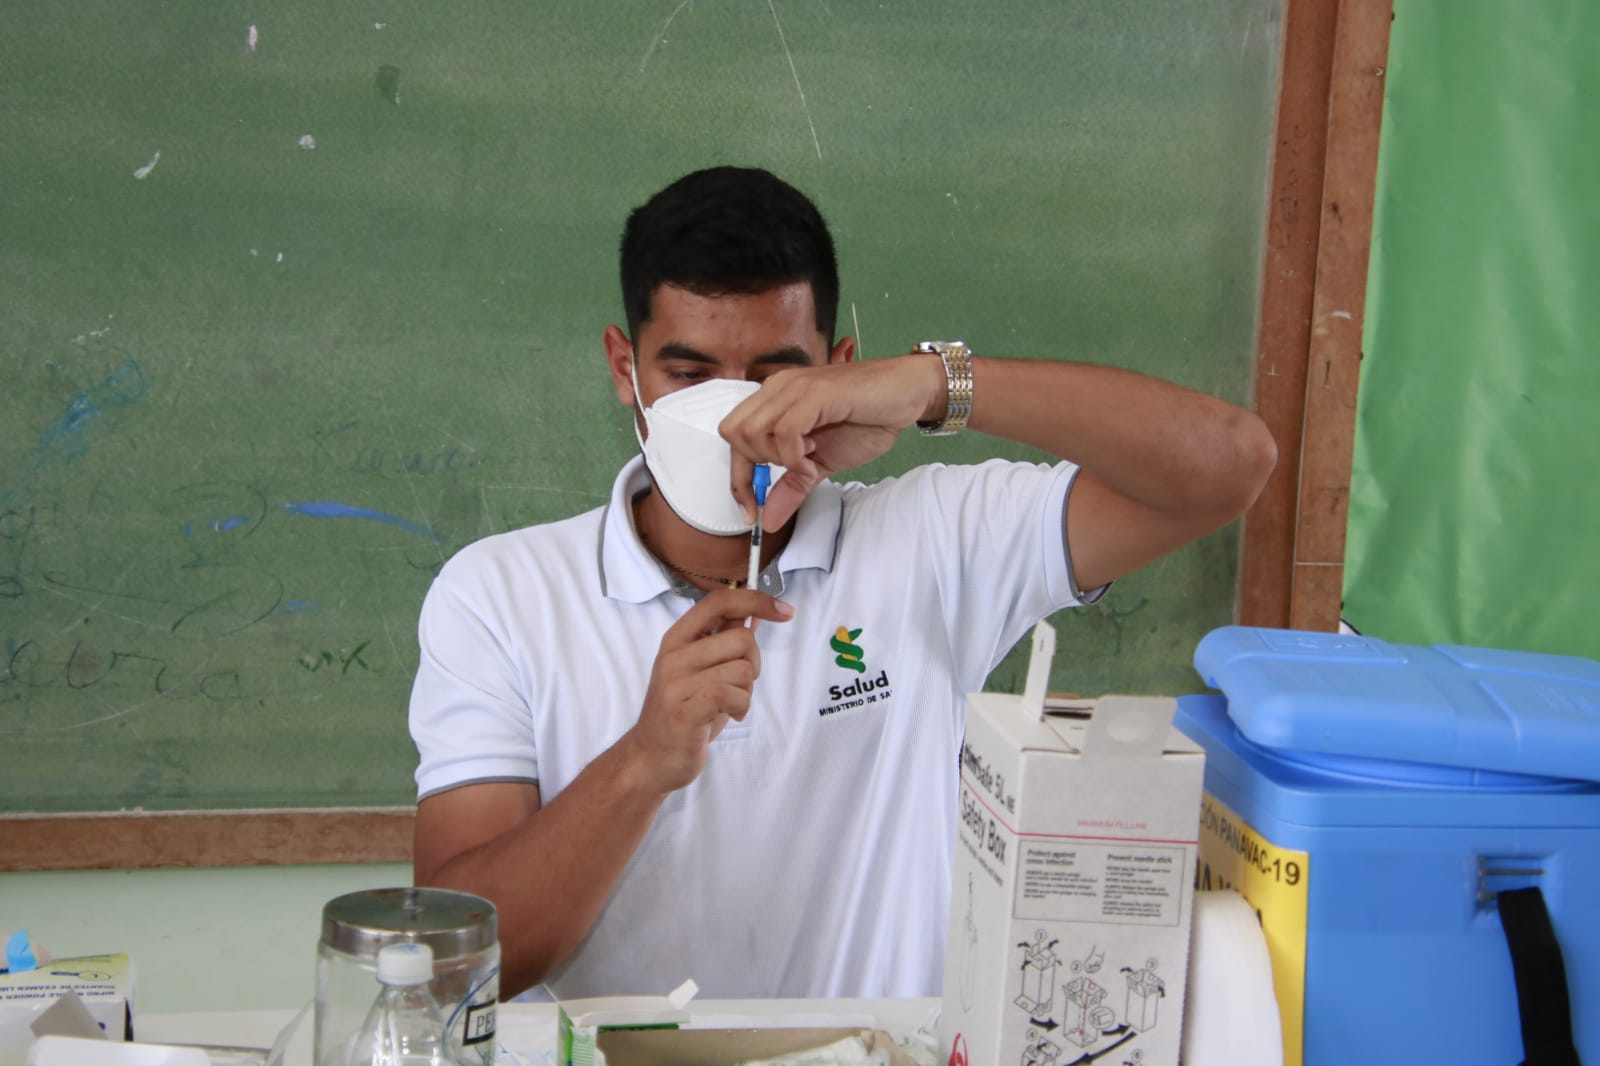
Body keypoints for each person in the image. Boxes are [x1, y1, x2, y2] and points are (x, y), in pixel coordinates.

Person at [408, 166, 1276, 1001]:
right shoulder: (500, 597)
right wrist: (643, 760)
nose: (738, 420)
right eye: (690, 376)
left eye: (777, 378)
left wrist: (932, 384)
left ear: (841, 368)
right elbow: (458, 962)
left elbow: (1230, 465)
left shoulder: (932, 539)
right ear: (624, 369)